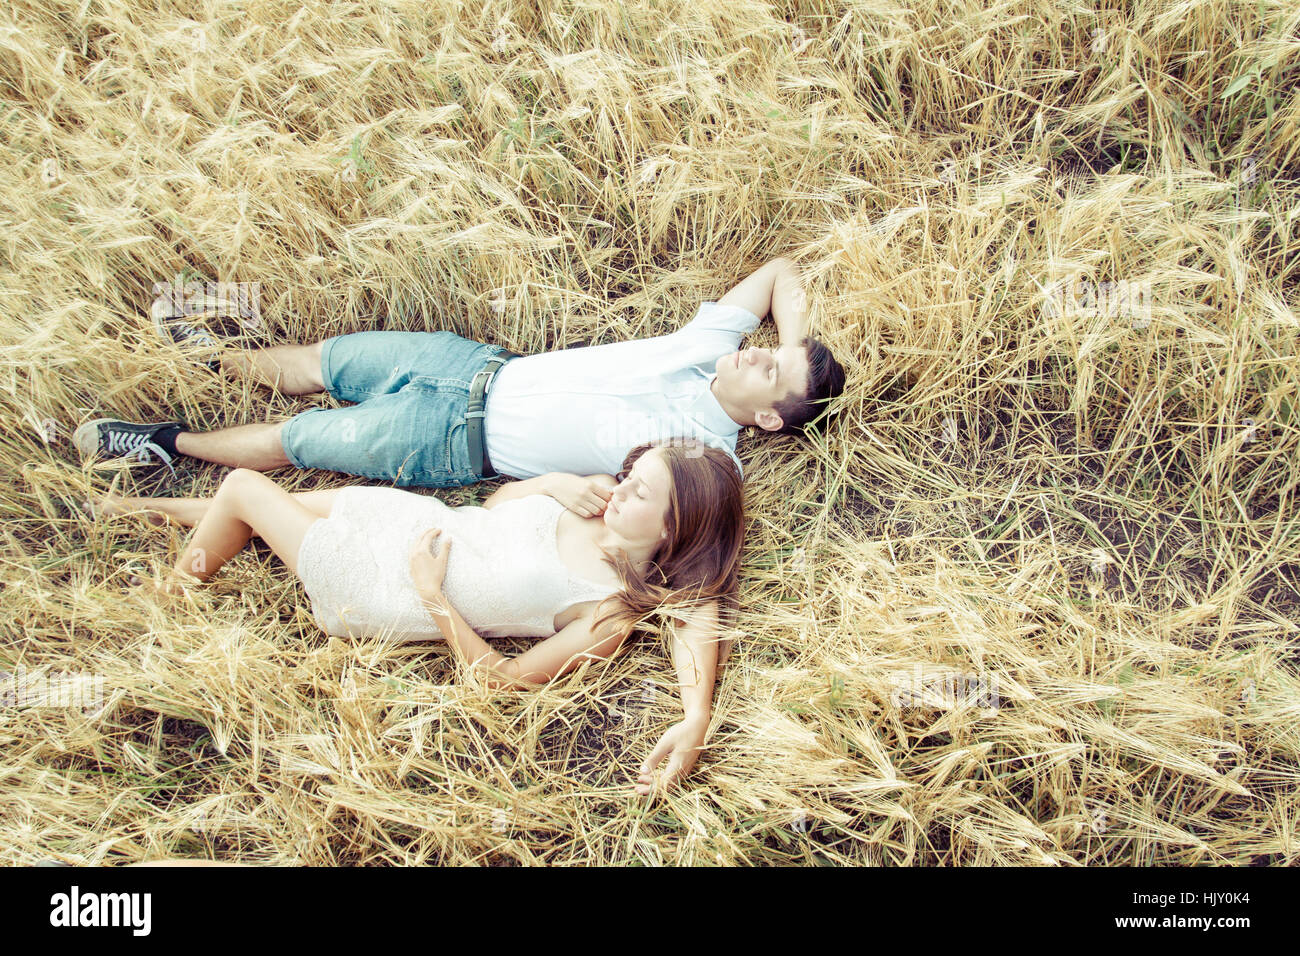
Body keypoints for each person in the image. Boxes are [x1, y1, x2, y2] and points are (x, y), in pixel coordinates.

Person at [90, 439, 744, 797]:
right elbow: (502, 505)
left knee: (241, 488)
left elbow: (504, 680)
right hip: (409, 521)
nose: (621, 483)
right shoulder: (591, 500)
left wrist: (434, 595)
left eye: (641, 490)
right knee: (270, 504)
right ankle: (155, 511)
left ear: (674, 528)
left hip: (389, 584)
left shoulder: (605, 611)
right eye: (634, 470)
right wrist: (549, 485)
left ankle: (170, 604)